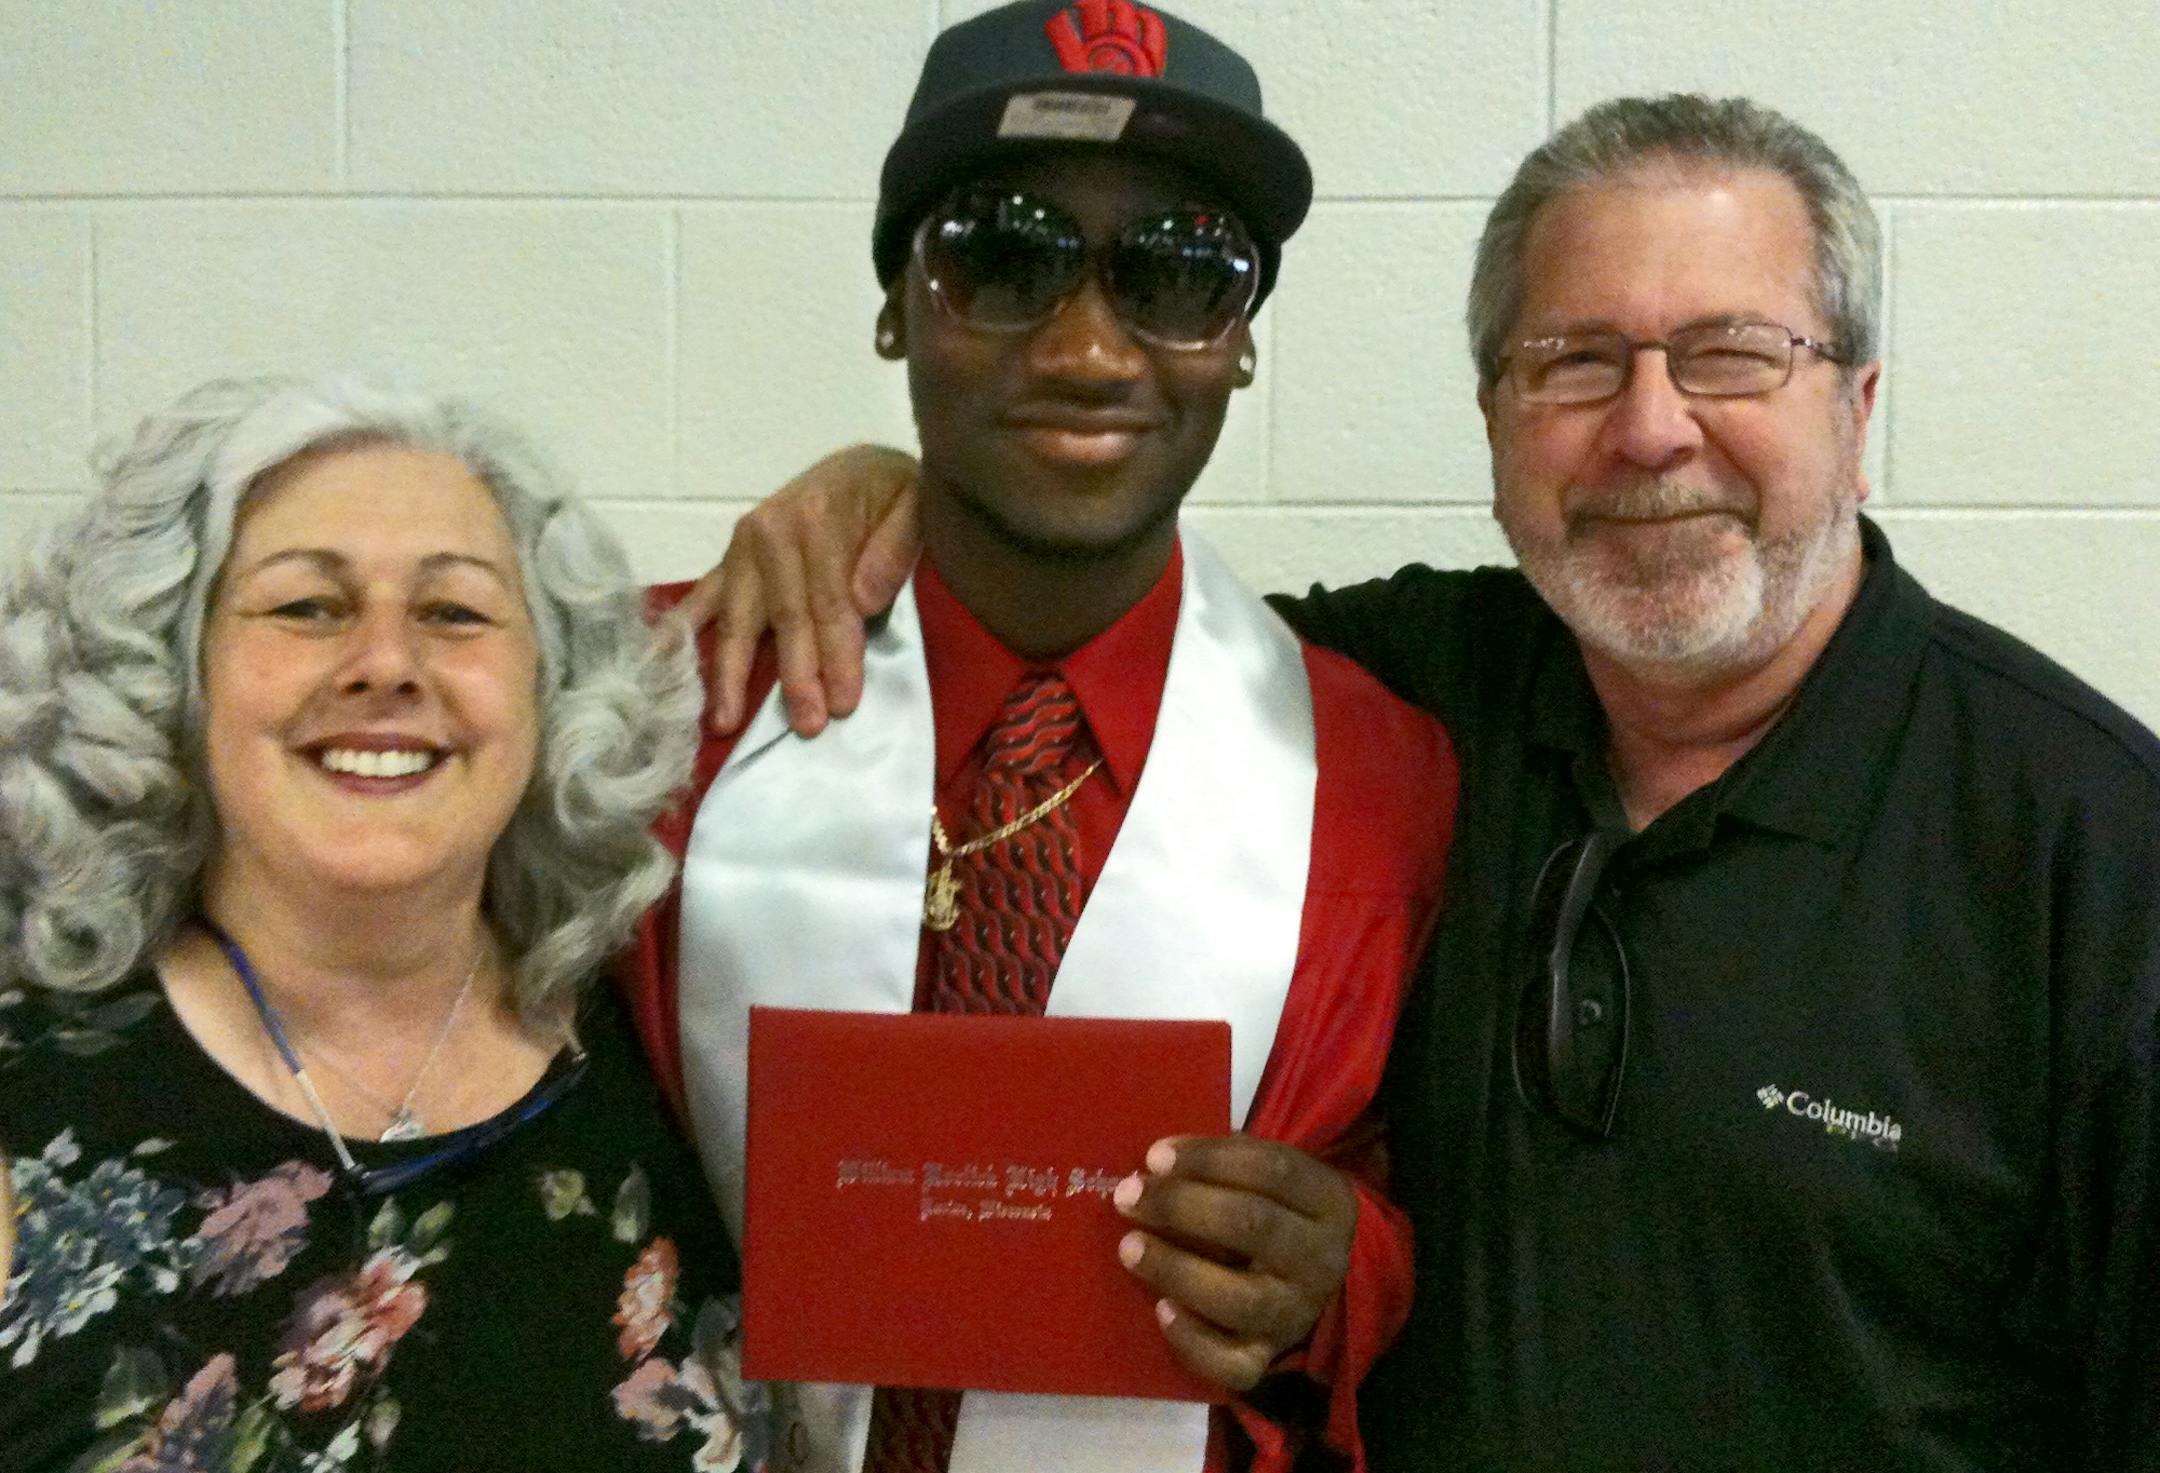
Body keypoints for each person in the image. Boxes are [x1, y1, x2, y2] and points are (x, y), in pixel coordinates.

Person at [687, 93, 2160, 1470]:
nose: (1651, 428)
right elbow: (1092, 600)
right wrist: (901, 484)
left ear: (1859, 402)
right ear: (1494, 419)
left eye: (1731, 354)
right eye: (1574, 361)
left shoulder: (2091, 858)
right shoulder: (1411, 698)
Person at [622, 0, 1457, 1473]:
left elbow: (1401, 1192)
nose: (1087, 349)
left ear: (1243, 341)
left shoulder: (1380, 778)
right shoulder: (667, 697)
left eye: (1180, 273)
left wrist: (1340, 1271)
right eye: (1000, 260)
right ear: (894, 307)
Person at [0, 377, 763, 1471]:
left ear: (550, 691)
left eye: (454, 611)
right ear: (175, 671)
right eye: (307, 606)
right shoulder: (23, 1113)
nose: (387, 663)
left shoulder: (672, 1048)